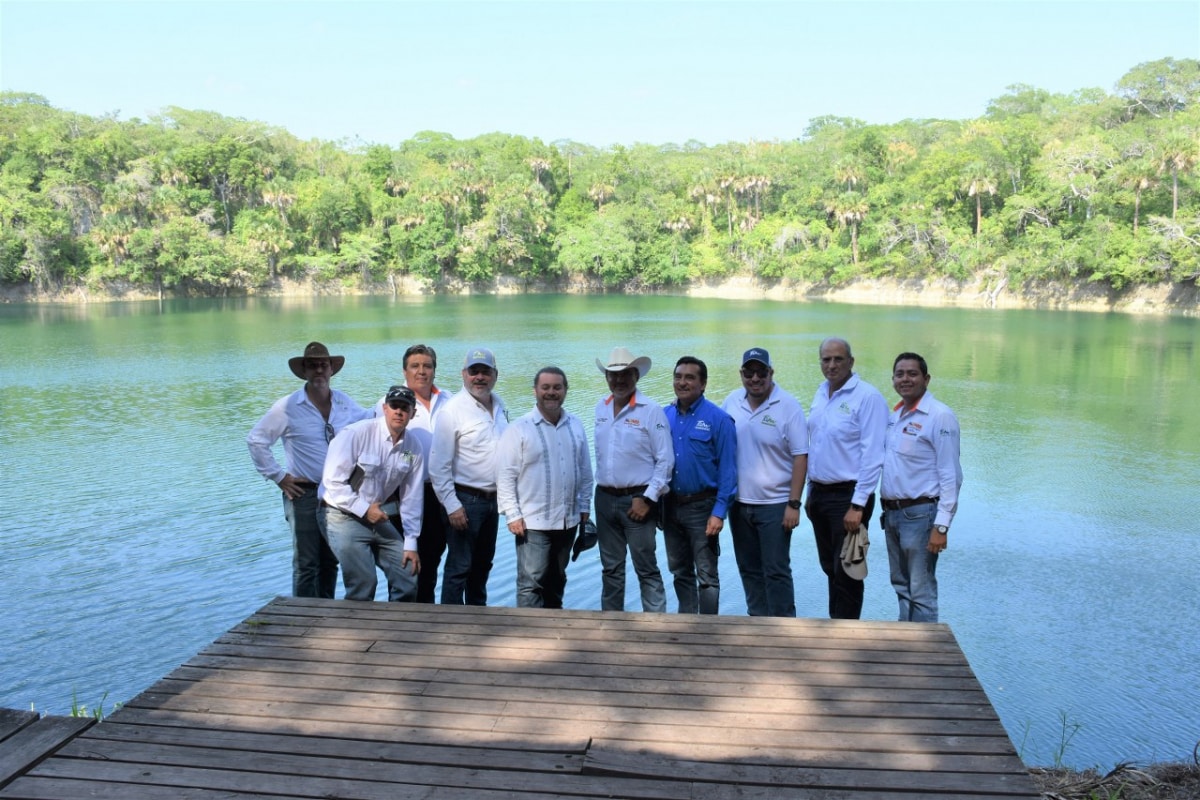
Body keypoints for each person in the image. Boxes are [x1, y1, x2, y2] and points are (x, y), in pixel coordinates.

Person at [247, 341, 368, 599]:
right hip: (304, 494)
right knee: (306, 563)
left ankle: (325, 613)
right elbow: (256, 440)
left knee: (330, 561)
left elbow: (369, 421)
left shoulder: (344, 402)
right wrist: (279, 476)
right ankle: (302, 616)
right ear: (304, 371)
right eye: (313, 366)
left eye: (323, 365)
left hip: (336, 495)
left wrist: (398, 408)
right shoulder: (287, 407)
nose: (319, 370)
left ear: (331, 369)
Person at [497, 367, 594, 609]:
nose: (551, 392)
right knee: (531, 583)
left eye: (557, 387)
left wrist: (584, 505)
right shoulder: (519, 428)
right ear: (535, 391)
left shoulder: (575, 425)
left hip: (568, 520)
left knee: (557, 578)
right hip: (532, 522)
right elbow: (505, 476)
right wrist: (512, 514)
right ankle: (528, 630)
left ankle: (553, 623)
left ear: (565, 390)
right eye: (546, 387)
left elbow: (585, 471)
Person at [721, 347, 808, 617]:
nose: (755, 378)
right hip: (739, 504)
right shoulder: (731, 401)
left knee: (776, 570)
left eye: (761, 372)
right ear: (741, 374)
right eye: (749, 373)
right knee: (748, 569)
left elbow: (801, 456)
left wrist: (794, 503)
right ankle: (757, 623)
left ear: (771, 373)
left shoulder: (788, 406)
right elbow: (720, 443)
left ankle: (784, 626)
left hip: (776, 504)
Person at [806, 337, 888, 620]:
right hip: (819, 495)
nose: (832, 365)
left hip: (849, 497)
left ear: (851, 361)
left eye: (838, 359)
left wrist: (858, 505)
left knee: (848, 570)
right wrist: (810, 492)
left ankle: (848, 633)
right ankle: (836, 628)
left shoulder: (867, 397)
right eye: (826, 359)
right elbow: (817, 445)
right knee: (830, 567)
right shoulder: (821, 393)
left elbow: (873, 455)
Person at [320, 386, 425, 601]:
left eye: (405, 408)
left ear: (413, 413)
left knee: (408, 574)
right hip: (339, 513)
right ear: (385, 408)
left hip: (376, 515)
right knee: (364, 581)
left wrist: (411, 543)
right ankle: (355, 623)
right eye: (394, 406)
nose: (399, 412)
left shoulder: (413, 448)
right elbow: (332, 481)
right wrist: (364, 509)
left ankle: (396, 622)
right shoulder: (356, 433)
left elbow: (412, 498)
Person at [881, 352, 963, 623]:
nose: (905, 379)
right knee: (901, 586)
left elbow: (951, 475)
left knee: (921, 590)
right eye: (900, 374)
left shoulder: (940, 416)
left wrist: (942, 526)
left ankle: (925, 647)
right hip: (892, 514)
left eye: (912, 374)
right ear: (893, 379)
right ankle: (906, 643)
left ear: (926, 379)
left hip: (921, 516)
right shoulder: (895, 417)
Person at [592, 347, 674, 613]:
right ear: (606, 377)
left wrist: (648, 499)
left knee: (646, 567)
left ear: (636, 376)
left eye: (625, 374)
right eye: (613, 375)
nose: (619, 380)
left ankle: (656, 626)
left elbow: (665, 460)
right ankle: (611, 624)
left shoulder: (651, 410)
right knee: (611, 569)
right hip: (604, 498)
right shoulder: (601, 407)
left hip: (638, 499)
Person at [373, 344, 453, 603]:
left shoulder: (450, 401)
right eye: (415, 366)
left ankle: (426, 615)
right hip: (403, 493)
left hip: (441, 493)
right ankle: (399, 616)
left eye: (427, 366)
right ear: (404, 371)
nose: (421, 371)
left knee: (431, 559)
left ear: (434, 370)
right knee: (404, 562)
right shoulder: (389, 404)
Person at [429, 347, 508, 605]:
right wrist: (452, 506)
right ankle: (451, 622)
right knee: (459, 567)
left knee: (483, 565)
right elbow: (438, 466)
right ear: (464, 374)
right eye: (474, 371)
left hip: (493, 501)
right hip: (465, 501)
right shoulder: (452, 411)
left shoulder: (500, 405)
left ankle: (478, 616)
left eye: (485, 371)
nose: (480, 377)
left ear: (495, 375)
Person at [662, 356, 737, 615]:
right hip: (670, 506)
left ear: (703, 384)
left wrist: (719, 512)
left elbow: (729, 471)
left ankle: (708, 629)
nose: (682, 382)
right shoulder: (664, 416)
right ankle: (686, 625)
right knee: (679, 570)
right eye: (678, 377)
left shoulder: (719, 420)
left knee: (707, 575)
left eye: (690, 378)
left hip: (703, 508)